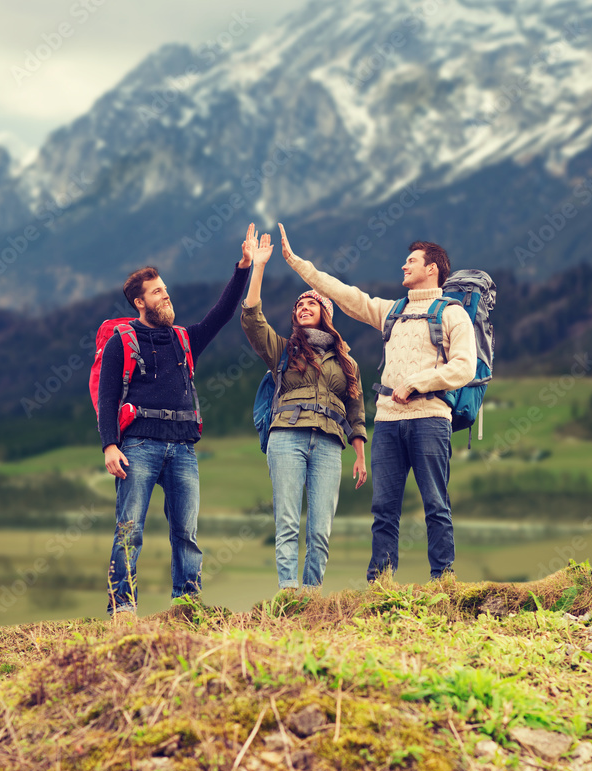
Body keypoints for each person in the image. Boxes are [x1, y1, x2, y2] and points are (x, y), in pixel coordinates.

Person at [279, 224, 476, 582]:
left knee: (435, 503)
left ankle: (443, 581)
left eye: (411, 261)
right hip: (386, 422)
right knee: (384, 507)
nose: (404, 266)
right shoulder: (391, 311)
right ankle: (380, 583)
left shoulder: (452, 313)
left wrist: (418, 382)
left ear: (432, 268)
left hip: (431, 417)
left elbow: (465, 366)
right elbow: (343, 294)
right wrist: (297, 264)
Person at [98, 235, 253, 616]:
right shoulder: (123, 340)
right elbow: (106, 397)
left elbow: (223, 313)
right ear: (140, 302)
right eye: (157, 292)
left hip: (183, 449)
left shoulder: (185, 339)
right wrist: (109, 445)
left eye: (165, 290)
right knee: (129, 530)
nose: (165, 296)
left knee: (186, 534)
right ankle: (123, 608)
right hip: (138, 447)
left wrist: (244, 268)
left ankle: (186, 605)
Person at [241, 227, 367, 591]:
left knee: (321, 528)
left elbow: (356, 413)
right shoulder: (283, 350)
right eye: (299, 305)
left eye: (312, 303)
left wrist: (360, 455)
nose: (304, 307)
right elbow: (251, 319)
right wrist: (259, 268)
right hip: (287, 437)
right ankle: (288, 593)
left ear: (325, 313)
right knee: (287, 521)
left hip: (329, 442)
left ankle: (311, 596)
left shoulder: (347, 363)